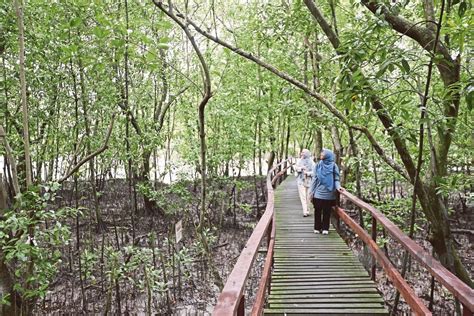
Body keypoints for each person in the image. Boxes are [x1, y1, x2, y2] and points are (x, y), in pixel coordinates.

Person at [309, 148, 341, 235]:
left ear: (328, 155)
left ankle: (325, 228)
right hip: (318, 193)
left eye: (323, 153)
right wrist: (311, 192)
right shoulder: (318, 165)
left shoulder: (334, 166)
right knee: (317, 211)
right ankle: (317, 227)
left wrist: (339, 187)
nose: (321, 154)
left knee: (327, 211)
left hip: (329, 193)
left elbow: (336, 179)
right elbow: (314, 179)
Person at [295, 149, 314, 217]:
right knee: (303, 196)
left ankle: (308, 210)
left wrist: (308, 173)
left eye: (303, 152)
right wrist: (301, 168)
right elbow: (296, 168)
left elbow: (314, 172)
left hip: (309, 181)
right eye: (302, 152)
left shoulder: (311, 162)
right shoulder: (299, 161)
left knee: (308, 197)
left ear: (306, 153)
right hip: (301, 181)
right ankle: (305, 211)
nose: (301, 153)